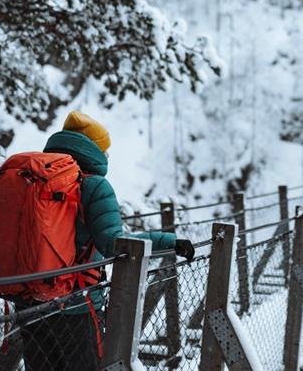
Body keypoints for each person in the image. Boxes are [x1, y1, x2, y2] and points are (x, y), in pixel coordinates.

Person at [18, 111, 195, 371]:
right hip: (74, 302)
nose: (108, 155)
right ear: (94, 149)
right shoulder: (94, 185)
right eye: (105, 149)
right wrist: (169, 242)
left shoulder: (30, 176)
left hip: (27, 299)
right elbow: (115, 244)